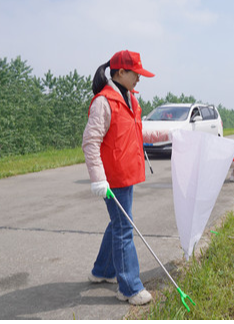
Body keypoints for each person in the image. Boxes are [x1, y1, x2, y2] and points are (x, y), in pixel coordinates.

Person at [82, 50, 155, 306]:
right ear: (121, 72)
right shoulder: (104, 102)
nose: (139, 79)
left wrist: (173, 136)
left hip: (128, 174)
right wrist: (98, 179)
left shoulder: (129, 99)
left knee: (118, 223)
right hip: (112, 178)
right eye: (136, 74)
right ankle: (129, 287)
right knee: (124, 228)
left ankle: (102, 271)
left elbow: (136, 132)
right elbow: (90, 141)